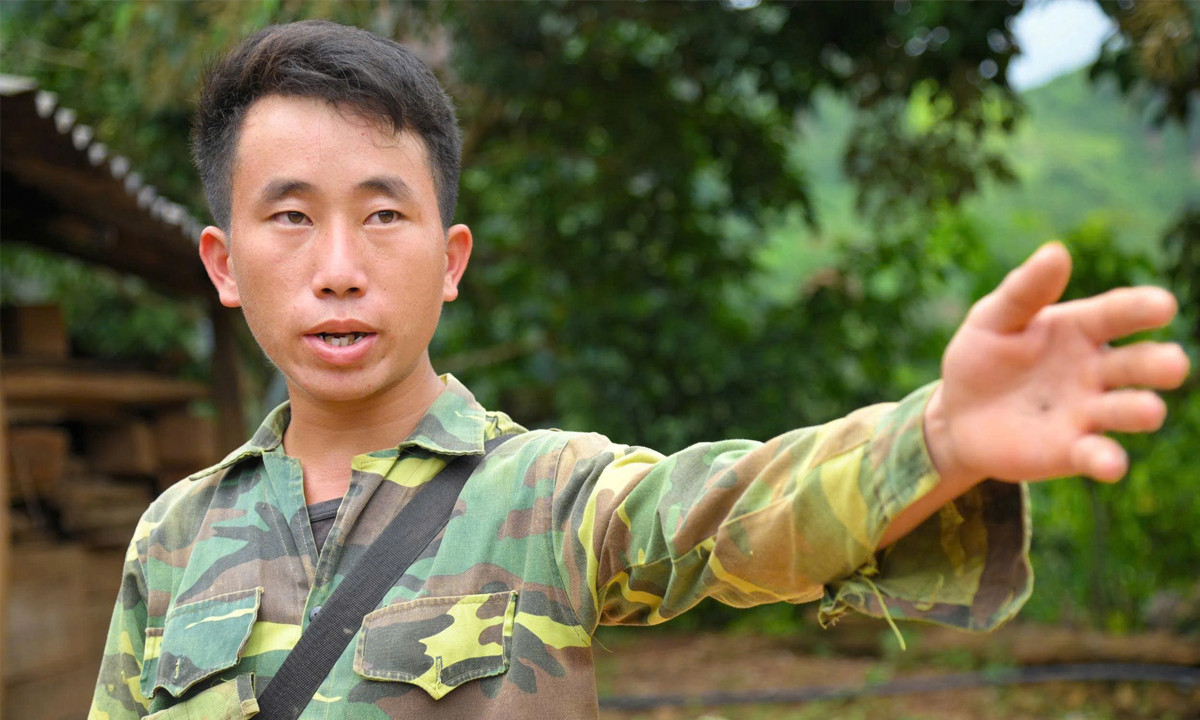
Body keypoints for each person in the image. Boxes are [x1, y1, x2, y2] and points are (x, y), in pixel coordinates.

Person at [88, 19, 1190, 720]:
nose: (339, 269)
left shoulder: (547, 494)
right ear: (223, 263)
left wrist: (934, 439)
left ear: (451, 259)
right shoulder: (174, 536)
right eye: (291, 218)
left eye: (384, 215)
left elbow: (728, 514)